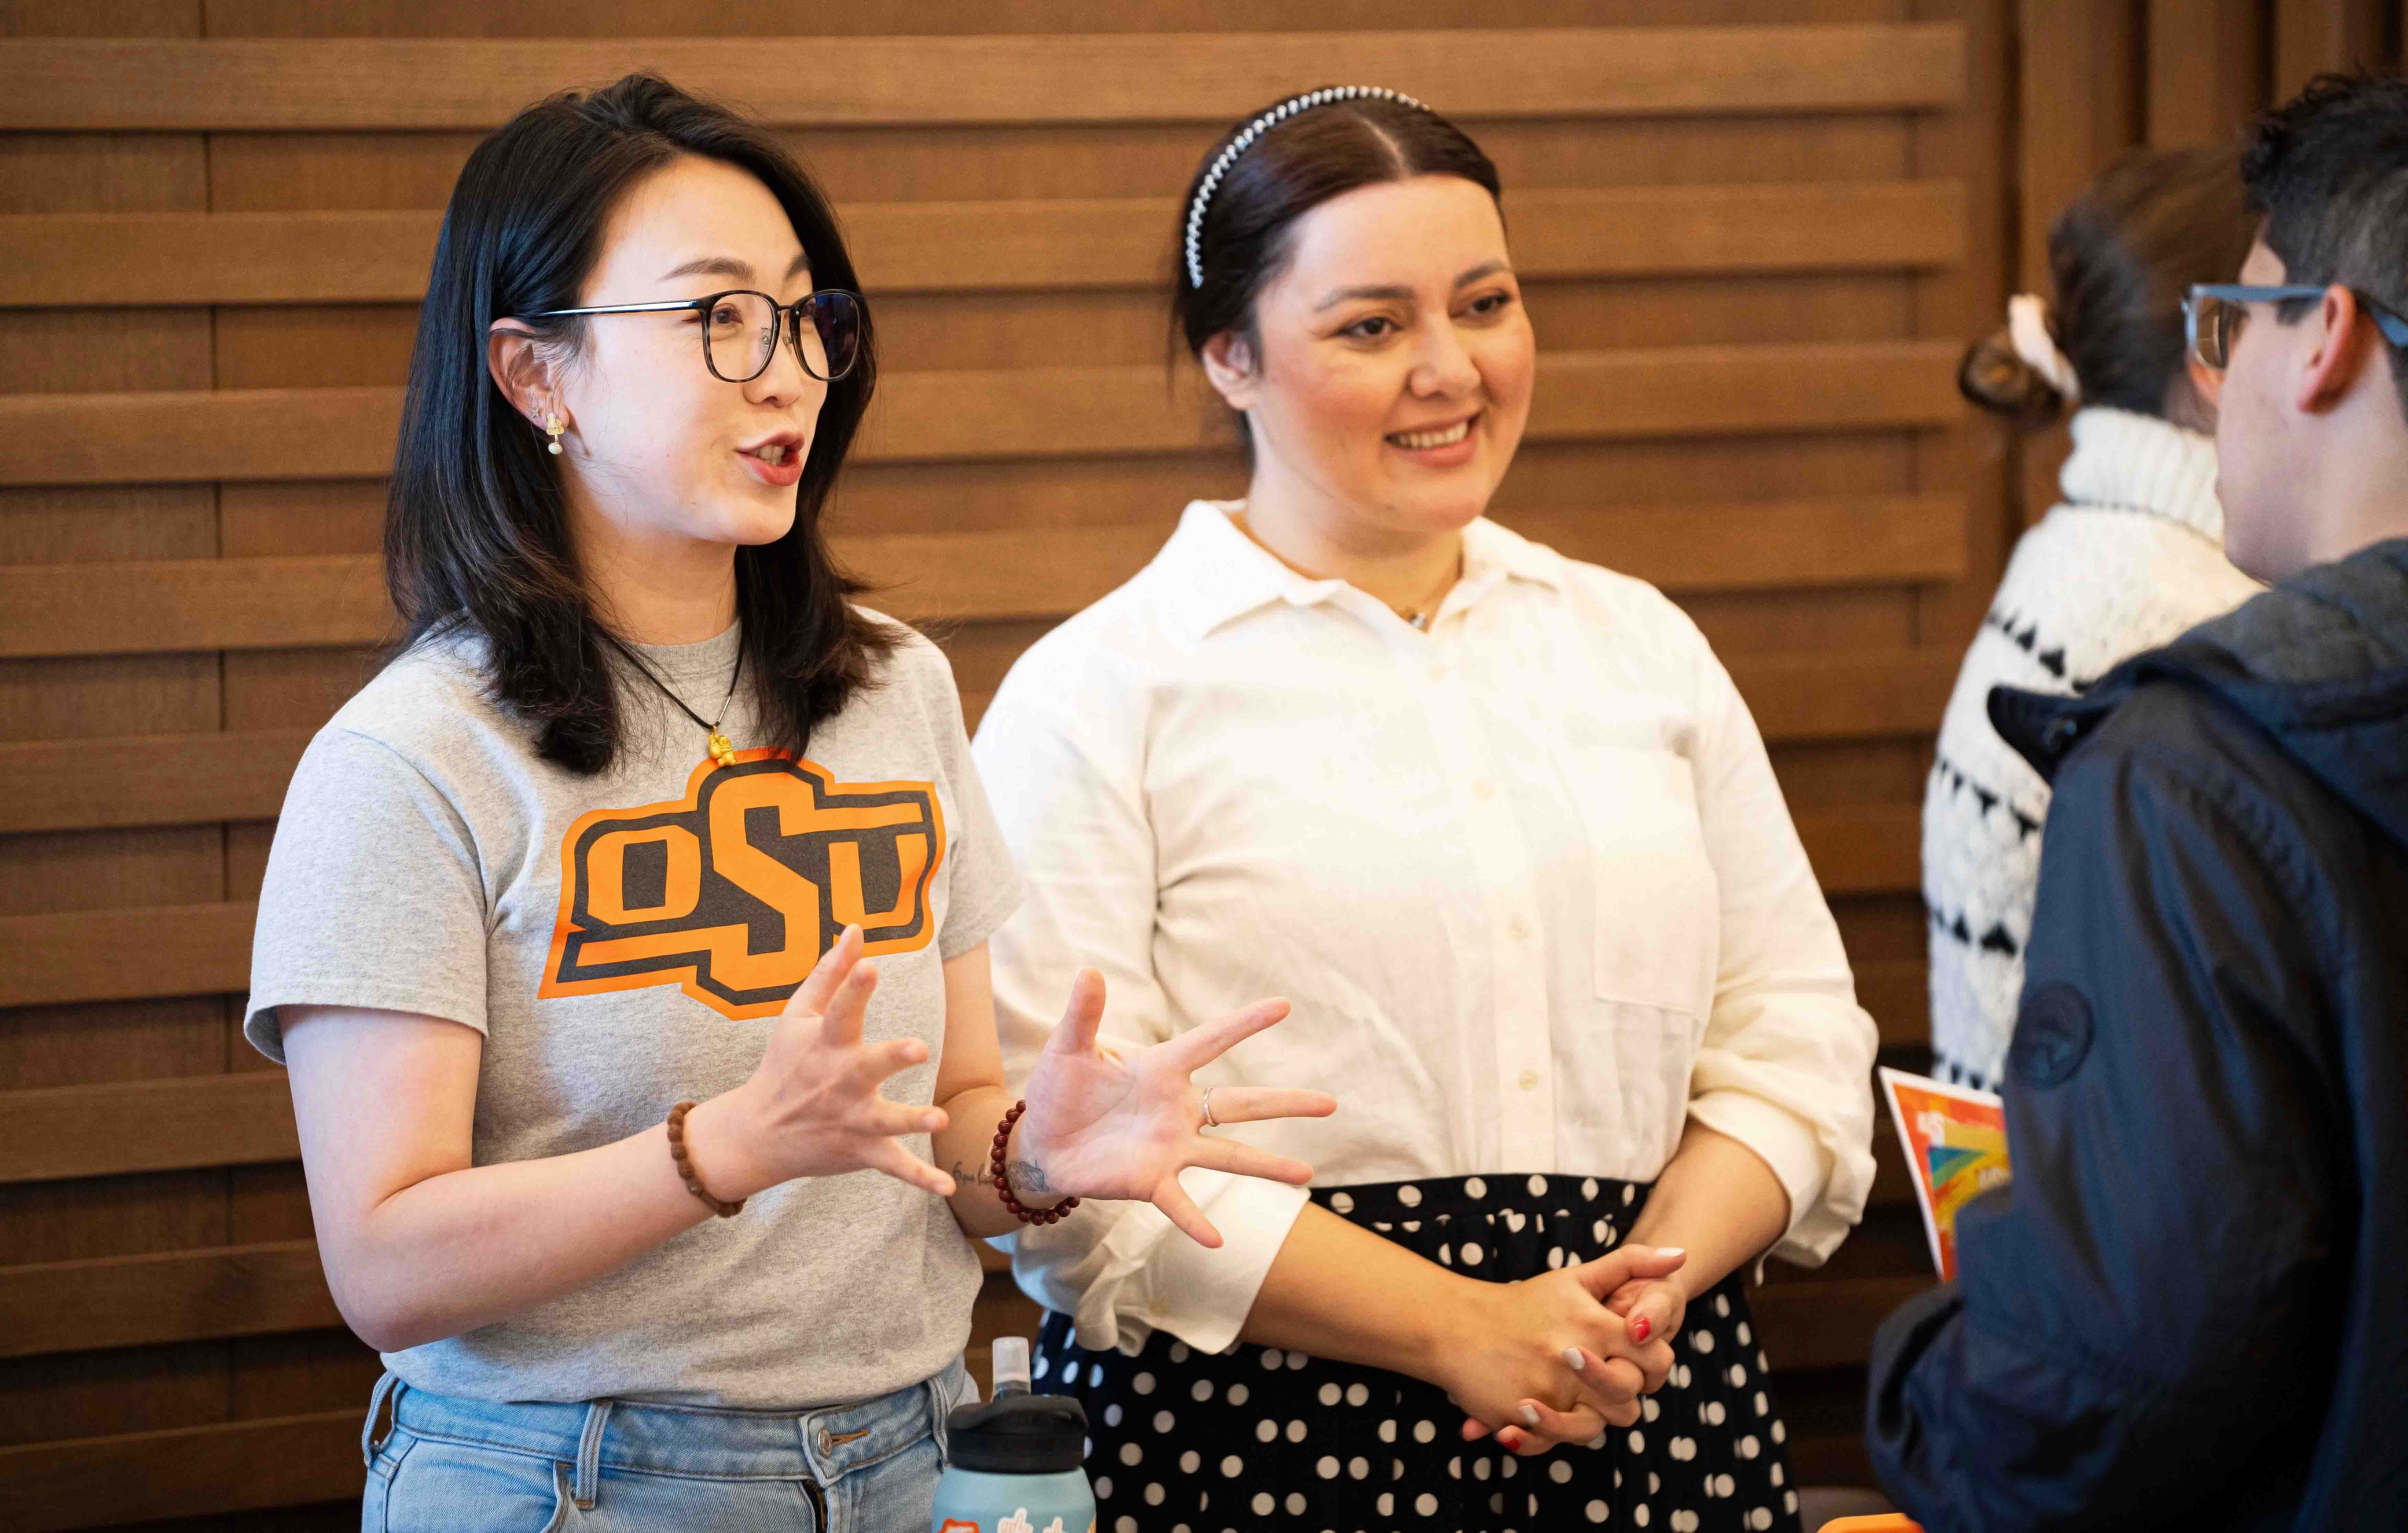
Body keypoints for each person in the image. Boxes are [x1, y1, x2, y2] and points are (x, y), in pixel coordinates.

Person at [243, 74, 1337, 1533]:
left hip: (913, 1453)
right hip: (570, 1481)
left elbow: (947, 1128)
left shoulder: (894, 687)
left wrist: (1032, 1157)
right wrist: (723, 1151)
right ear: (535, 374)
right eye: (719, 317)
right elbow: (385, 1262)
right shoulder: (413, 758)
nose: (788, 376)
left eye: (805, 318)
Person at [971, 85, 1880, 1533]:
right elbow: (1076, 1162)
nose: (1451, 369)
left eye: (1486, 304)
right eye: (1371, 326)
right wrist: (1457, 1323)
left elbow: (1797, 1045)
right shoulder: (1099, 690)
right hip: (1253, 1432)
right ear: (1229, 355)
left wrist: (1632, 1305)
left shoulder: (1641, 645)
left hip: (1646, 1387)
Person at [1868, 72, 2408, 1531]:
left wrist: (1918, 1379)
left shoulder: (2196, 748)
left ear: (2324, 340)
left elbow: (2135, 1353)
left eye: (2240, 324)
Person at [1925, 146, 2261, 1090]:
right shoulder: (2187, 620)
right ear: (2217, 349)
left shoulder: (2102, 554)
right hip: (2086, 1172)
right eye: (2305, 312)